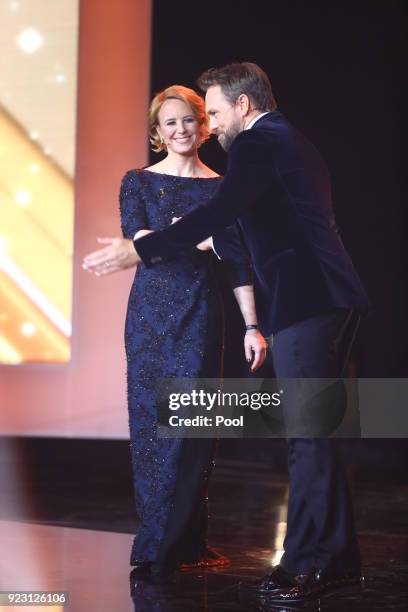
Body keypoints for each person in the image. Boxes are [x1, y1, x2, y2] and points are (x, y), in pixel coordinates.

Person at [84, 63, 371, 603]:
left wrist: (139, 247)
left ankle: (310, 561)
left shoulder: (261, 144)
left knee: (308, 436)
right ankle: (336, 557)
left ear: (242, 105)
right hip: (320, 300)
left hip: (309, 303)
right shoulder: (288, 141)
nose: (207, 124)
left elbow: (221, 213)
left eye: (211, 111)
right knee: (317, 433)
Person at [84, 84, 267, 579]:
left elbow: (238, 265)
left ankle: (184, 540)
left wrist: (252, 324)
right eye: (170, 122)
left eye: (189, 119)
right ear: (157, 132)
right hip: (149, 316)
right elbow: (140, 239)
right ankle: (156, 543)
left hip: (202, 313)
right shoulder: (138, 182)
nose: (181, 129)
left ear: (203, 126)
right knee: (150, 425)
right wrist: (198, 238)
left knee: (194, 428)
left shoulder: (223, 187)